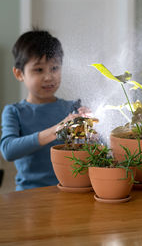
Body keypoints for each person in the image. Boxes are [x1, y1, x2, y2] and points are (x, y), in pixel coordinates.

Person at [0, 29, 90, 191]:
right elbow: (8, 150)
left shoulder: (73, 108)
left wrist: (90, 128)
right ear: (19, 73)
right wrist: (57, 130)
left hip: (70, 190)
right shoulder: (14, 112)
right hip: (29, 195)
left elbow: (90, 150)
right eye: (39, 70)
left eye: (54, 68)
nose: (49, 77)